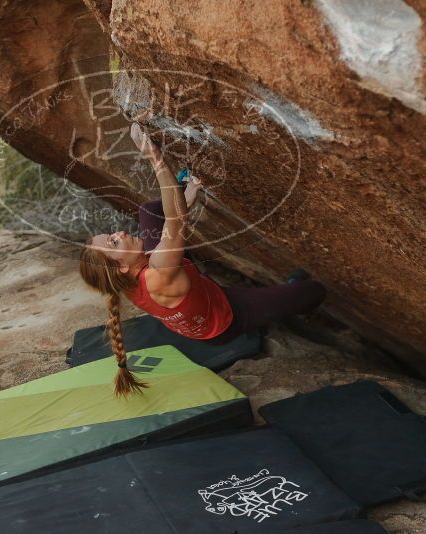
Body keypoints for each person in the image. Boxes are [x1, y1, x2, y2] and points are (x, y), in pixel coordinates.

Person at [79, 123, 327, 396]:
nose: (121, 232)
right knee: (312, 292)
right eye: (114, 242)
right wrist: (153, 155)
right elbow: (175, 221)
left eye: (111, 234)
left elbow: (171, 223)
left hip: (193, 286)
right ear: (123, 266)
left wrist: (185, 197)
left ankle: (186, 195)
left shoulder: (123, 279)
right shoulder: (158, 275)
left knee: (149, 211)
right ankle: (281, 299)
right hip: (225, 319)